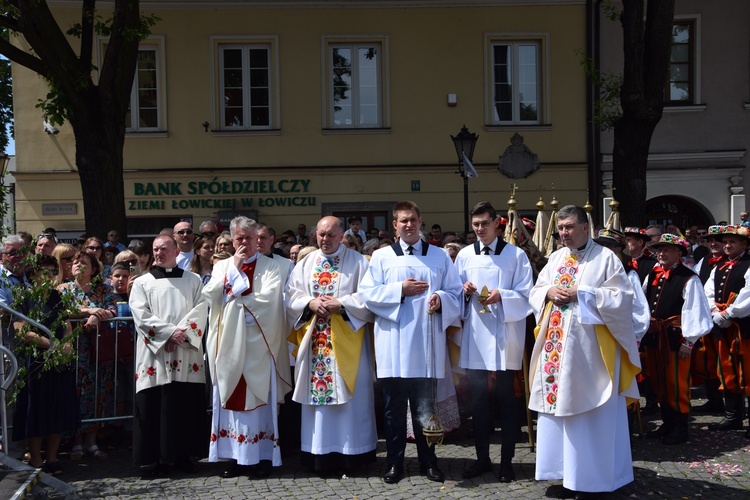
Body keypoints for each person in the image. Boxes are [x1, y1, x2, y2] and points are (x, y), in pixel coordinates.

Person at [529, 205, 641, 498]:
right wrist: (548, 293)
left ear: (584, 228)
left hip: (591, 355)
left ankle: (593, 481)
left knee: (590, 414)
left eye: (568, 227)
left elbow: (622, 299)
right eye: (560, 228)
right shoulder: (555, 258)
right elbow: (537, 290)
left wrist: (583, 293)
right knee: (558, 414)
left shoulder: (606, 259)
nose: (563, 233)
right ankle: (565, 475)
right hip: (555, 350)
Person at [359, 201, 462, 484]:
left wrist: (441, 299)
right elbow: (367, 294)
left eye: (413, 220)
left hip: (426, 345)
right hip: (393, 344)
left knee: (425, 408)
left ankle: (429, 462)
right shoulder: (381, 257)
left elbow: (455, 292)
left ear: (421, 221)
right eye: (403, 221)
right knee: (393, 410)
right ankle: (394, 462)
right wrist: (399, 290)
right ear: (395, 225)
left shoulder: (440, 256)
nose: (409, 225)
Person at [286, 216, 376, 476]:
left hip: (348, 342)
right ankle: (320, 455)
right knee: (319, 407)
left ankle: (353, 456)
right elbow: (291, 294)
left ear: (342, 236)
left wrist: (343, 304)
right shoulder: (305, 263)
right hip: (315, 342)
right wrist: (309, 304)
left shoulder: (359, 263)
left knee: (351, 401)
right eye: (321, 235)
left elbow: (369, 297)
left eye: (330, 235)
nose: (325, 240)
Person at [203, 216, 292, 479]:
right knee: (231, 401)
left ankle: (263, 457)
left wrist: (234, 300)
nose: (245, 243)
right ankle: (235, 458)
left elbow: (269, 301)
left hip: (260, 346)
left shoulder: (271, 266)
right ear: (232, 240)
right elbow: (210, 295)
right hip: (230, 343)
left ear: (258, 239)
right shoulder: (222, 266)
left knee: (260, 403)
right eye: (239, 239)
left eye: (249, 238)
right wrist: (235, 269)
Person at [455, 202, 533, 482]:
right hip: (475, 336)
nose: (479, 229)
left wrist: (503, 295)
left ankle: (508, 461)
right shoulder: (464, 255)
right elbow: (454, 293)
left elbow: (528, 295)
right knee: (478, 402)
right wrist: (463, 291)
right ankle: (482, 459)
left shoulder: (516, 255)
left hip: (504, 336)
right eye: (475, 224)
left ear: (497, 223)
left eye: (484, 224)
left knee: (506, 402)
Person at [129, 235, 208, 477]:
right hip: (156, 354)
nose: (159, 253)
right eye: (155, 249)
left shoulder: (194, 280)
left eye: (164, 248)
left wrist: (181, 335)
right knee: (157, 404)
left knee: (184, 403)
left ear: (176, 250)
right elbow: (139, 314)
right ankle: (156, 460)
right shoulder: (143, 282)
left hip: (185, 351)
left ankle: (184, 456)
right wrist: (169, 333)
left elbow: (202, 308)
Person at [641, 234, 712, 445]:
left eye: (667, 250)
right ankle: (667, 423)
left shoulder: (689, 278)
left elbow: (696, 311)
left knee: (676, 384)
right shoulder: (653, 275)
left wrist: (688, 342)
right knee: (659, 382)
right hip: (655, 337)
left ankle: (680, 429)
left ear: (679, 253)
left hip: (675, 340)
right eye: (660, 249)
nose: (662, 253)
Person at [13, 255, 79, 476]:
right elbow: (22, 330)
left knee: (57, 409)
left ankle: (53, 458)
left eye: (52, 271)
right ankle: (37, 458)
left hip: (58, 363)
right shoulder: (24, 297)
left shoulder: (57, 296)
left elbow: (66, 323)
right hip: (35, 362)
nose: (49, 275)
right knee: (36, 410)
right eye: (44, 271)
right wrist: (52, 345)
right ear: (33, 274)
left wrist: (67, 345)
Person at [57, 251, 117, 461]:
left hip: (98, 349)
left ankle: (91, 441)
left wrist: (98, 315)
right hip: (73, 350)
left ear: (93, 269)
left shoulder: (104, 288)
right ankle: (76, 442)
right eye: (75, 262)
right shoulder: (63, 289)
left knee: (98, 392)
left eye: (83, 262)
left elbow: (112, 310)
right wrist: (89, 312)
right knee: (75, 393)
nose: (78, 265)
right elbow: (62, 310)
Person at [704, 224, 750, 435]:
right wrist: (714, 310)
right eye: (726, 242)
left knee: (748, 371)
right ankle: (733, 416)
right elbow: (708, 292)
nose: (728, 245)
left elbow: (747, 296)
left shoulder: (748, 265)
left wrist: (729, 314)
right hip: (724, 327)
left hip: (745, 327)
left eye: (733, 242)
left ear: (744, 244)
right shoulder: (718, 267)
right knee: (727, 369)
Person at [690, 227, 727, 414]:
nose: (713, 244)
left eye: (718, 240)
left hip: (728, 323)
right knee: (707, 363)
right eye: (710, 240)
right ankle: (714, 401)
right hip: (707, 321)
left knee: (727, 365)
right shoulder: (703, 262)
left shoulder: (738, 263)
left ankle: (731, 407)